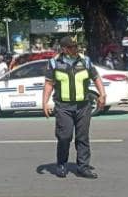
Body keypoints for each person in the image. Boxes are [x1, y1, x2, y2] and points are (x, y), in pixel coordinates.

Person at [41, 36, 106, 179]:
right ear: (64, 49)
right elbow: (49, 84)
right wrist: (44, 102)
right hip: (63, 106)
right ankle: (61, 164)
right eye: (72, 47)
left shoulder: (85, 61)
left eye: (76, 46)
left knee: (82, 137)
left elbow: (96, 78)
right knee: (64, 136)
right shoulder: (54, 63)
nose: (76, 49)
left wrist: (102, 94)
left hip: (83, 106)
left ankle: (83, 167)